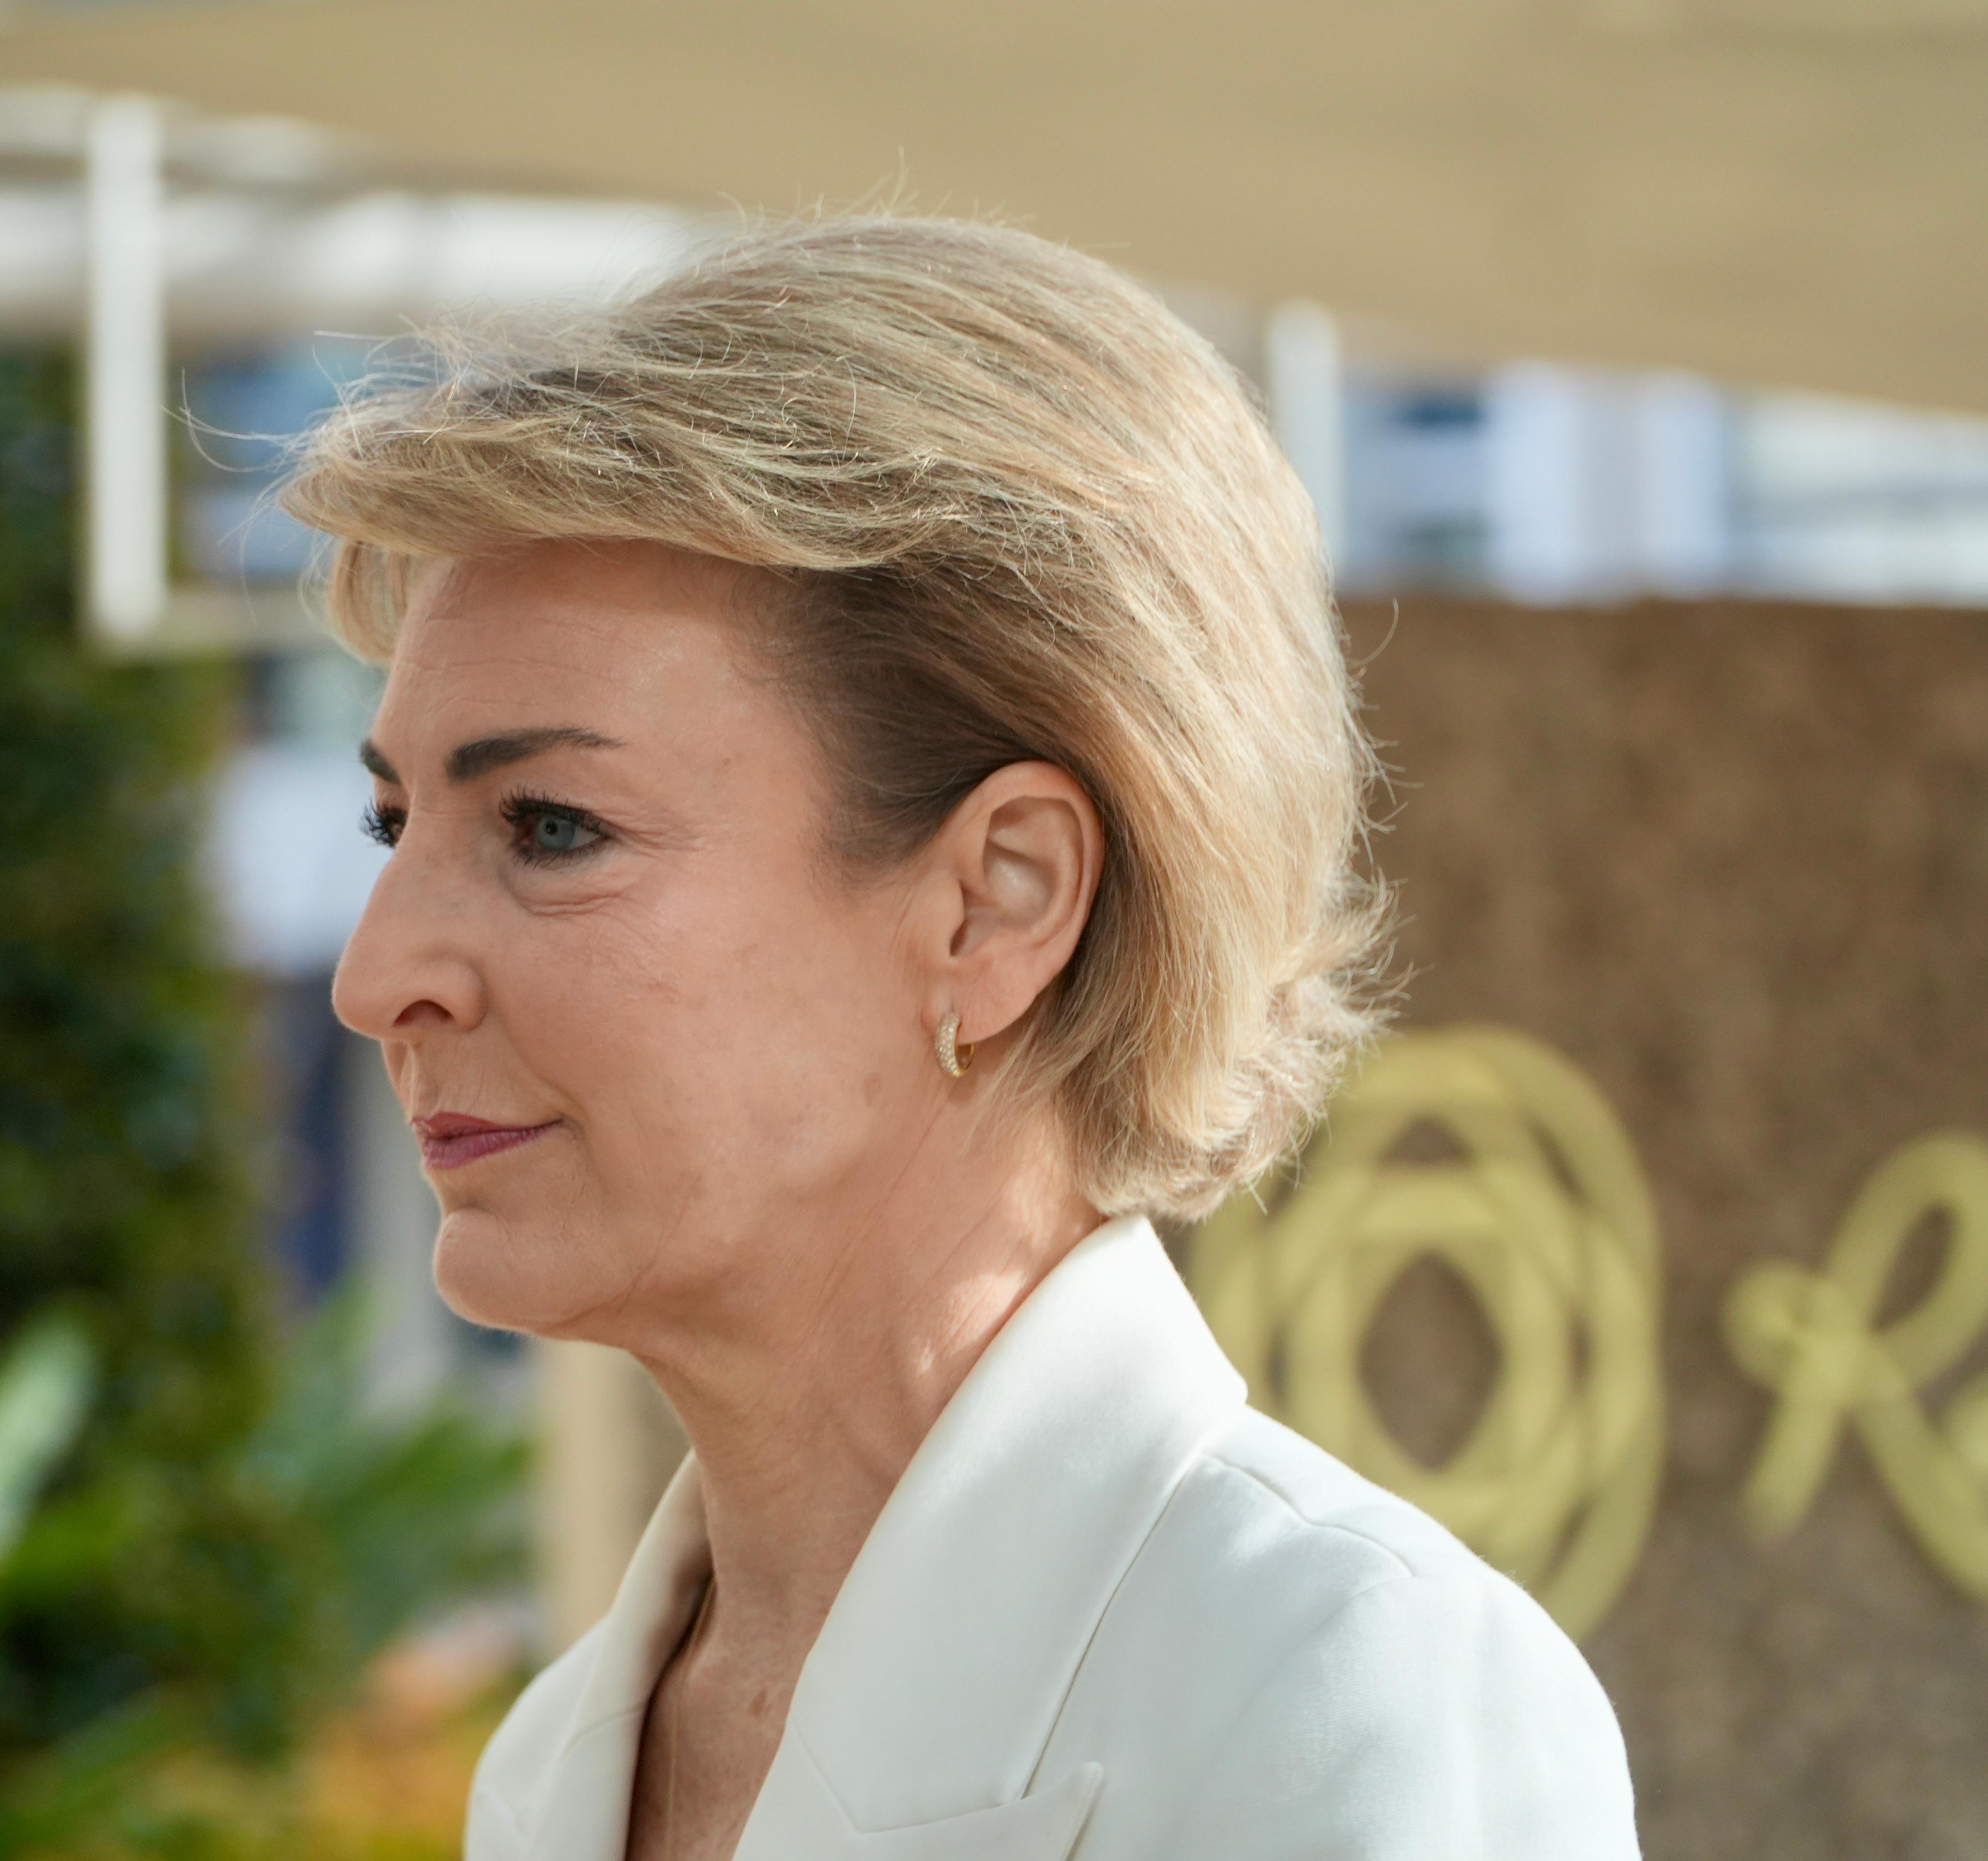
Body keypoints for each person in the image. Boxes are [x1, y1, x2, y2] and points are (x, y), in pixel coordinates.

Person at [287, 215, 1638, 1861]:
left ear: (999, 903)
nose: (378, 977)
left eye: (552, 827)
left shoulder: (1346, 1688)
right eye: (391, 824)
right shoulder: (555, 1764)